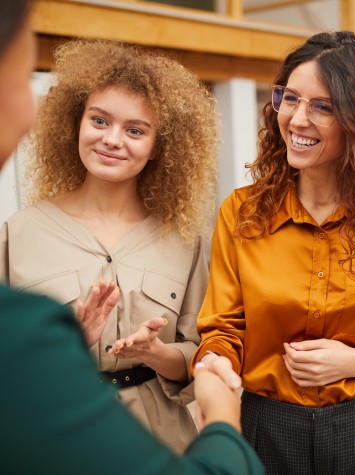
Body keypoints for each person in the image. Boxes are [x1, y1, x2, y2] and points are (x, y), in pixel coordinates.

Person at [0, 1, 263, 473]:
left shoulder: (187, 241)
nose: (112, 139)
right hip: (58, 436)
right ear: (73, 122)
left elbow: (202, 347)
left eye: (135, 130)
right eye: (99, 120)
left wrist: (161, 356)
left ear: (161, 146)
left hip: (164, 441)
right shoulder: (18, 233)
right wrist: (67, 346)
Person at [192, 31, 355, 474]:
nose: (296, 119)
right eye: (290, 98)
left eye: (322, 106)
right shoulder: (243, 212)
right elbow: (222, 329)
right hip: (262, 428)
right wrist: (215, 361)